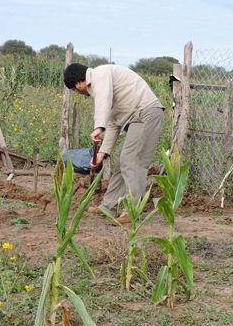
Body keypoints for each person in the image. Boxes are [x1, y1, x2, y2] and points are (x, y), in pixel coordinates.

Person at [63, 63, 165, 223]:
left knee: (131, 160)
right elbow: (112, 123)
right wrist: (101, 153)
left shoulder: (100, 75)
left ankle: (132, 210)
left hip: (147, 113)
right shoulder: (103, 86)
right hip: (137, 118)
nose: (80, 93)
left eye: (76, 90)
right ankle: (109, 206)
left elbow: (103, 102)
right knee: (120, 160)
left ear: (78, 83)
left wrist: (98, 127)